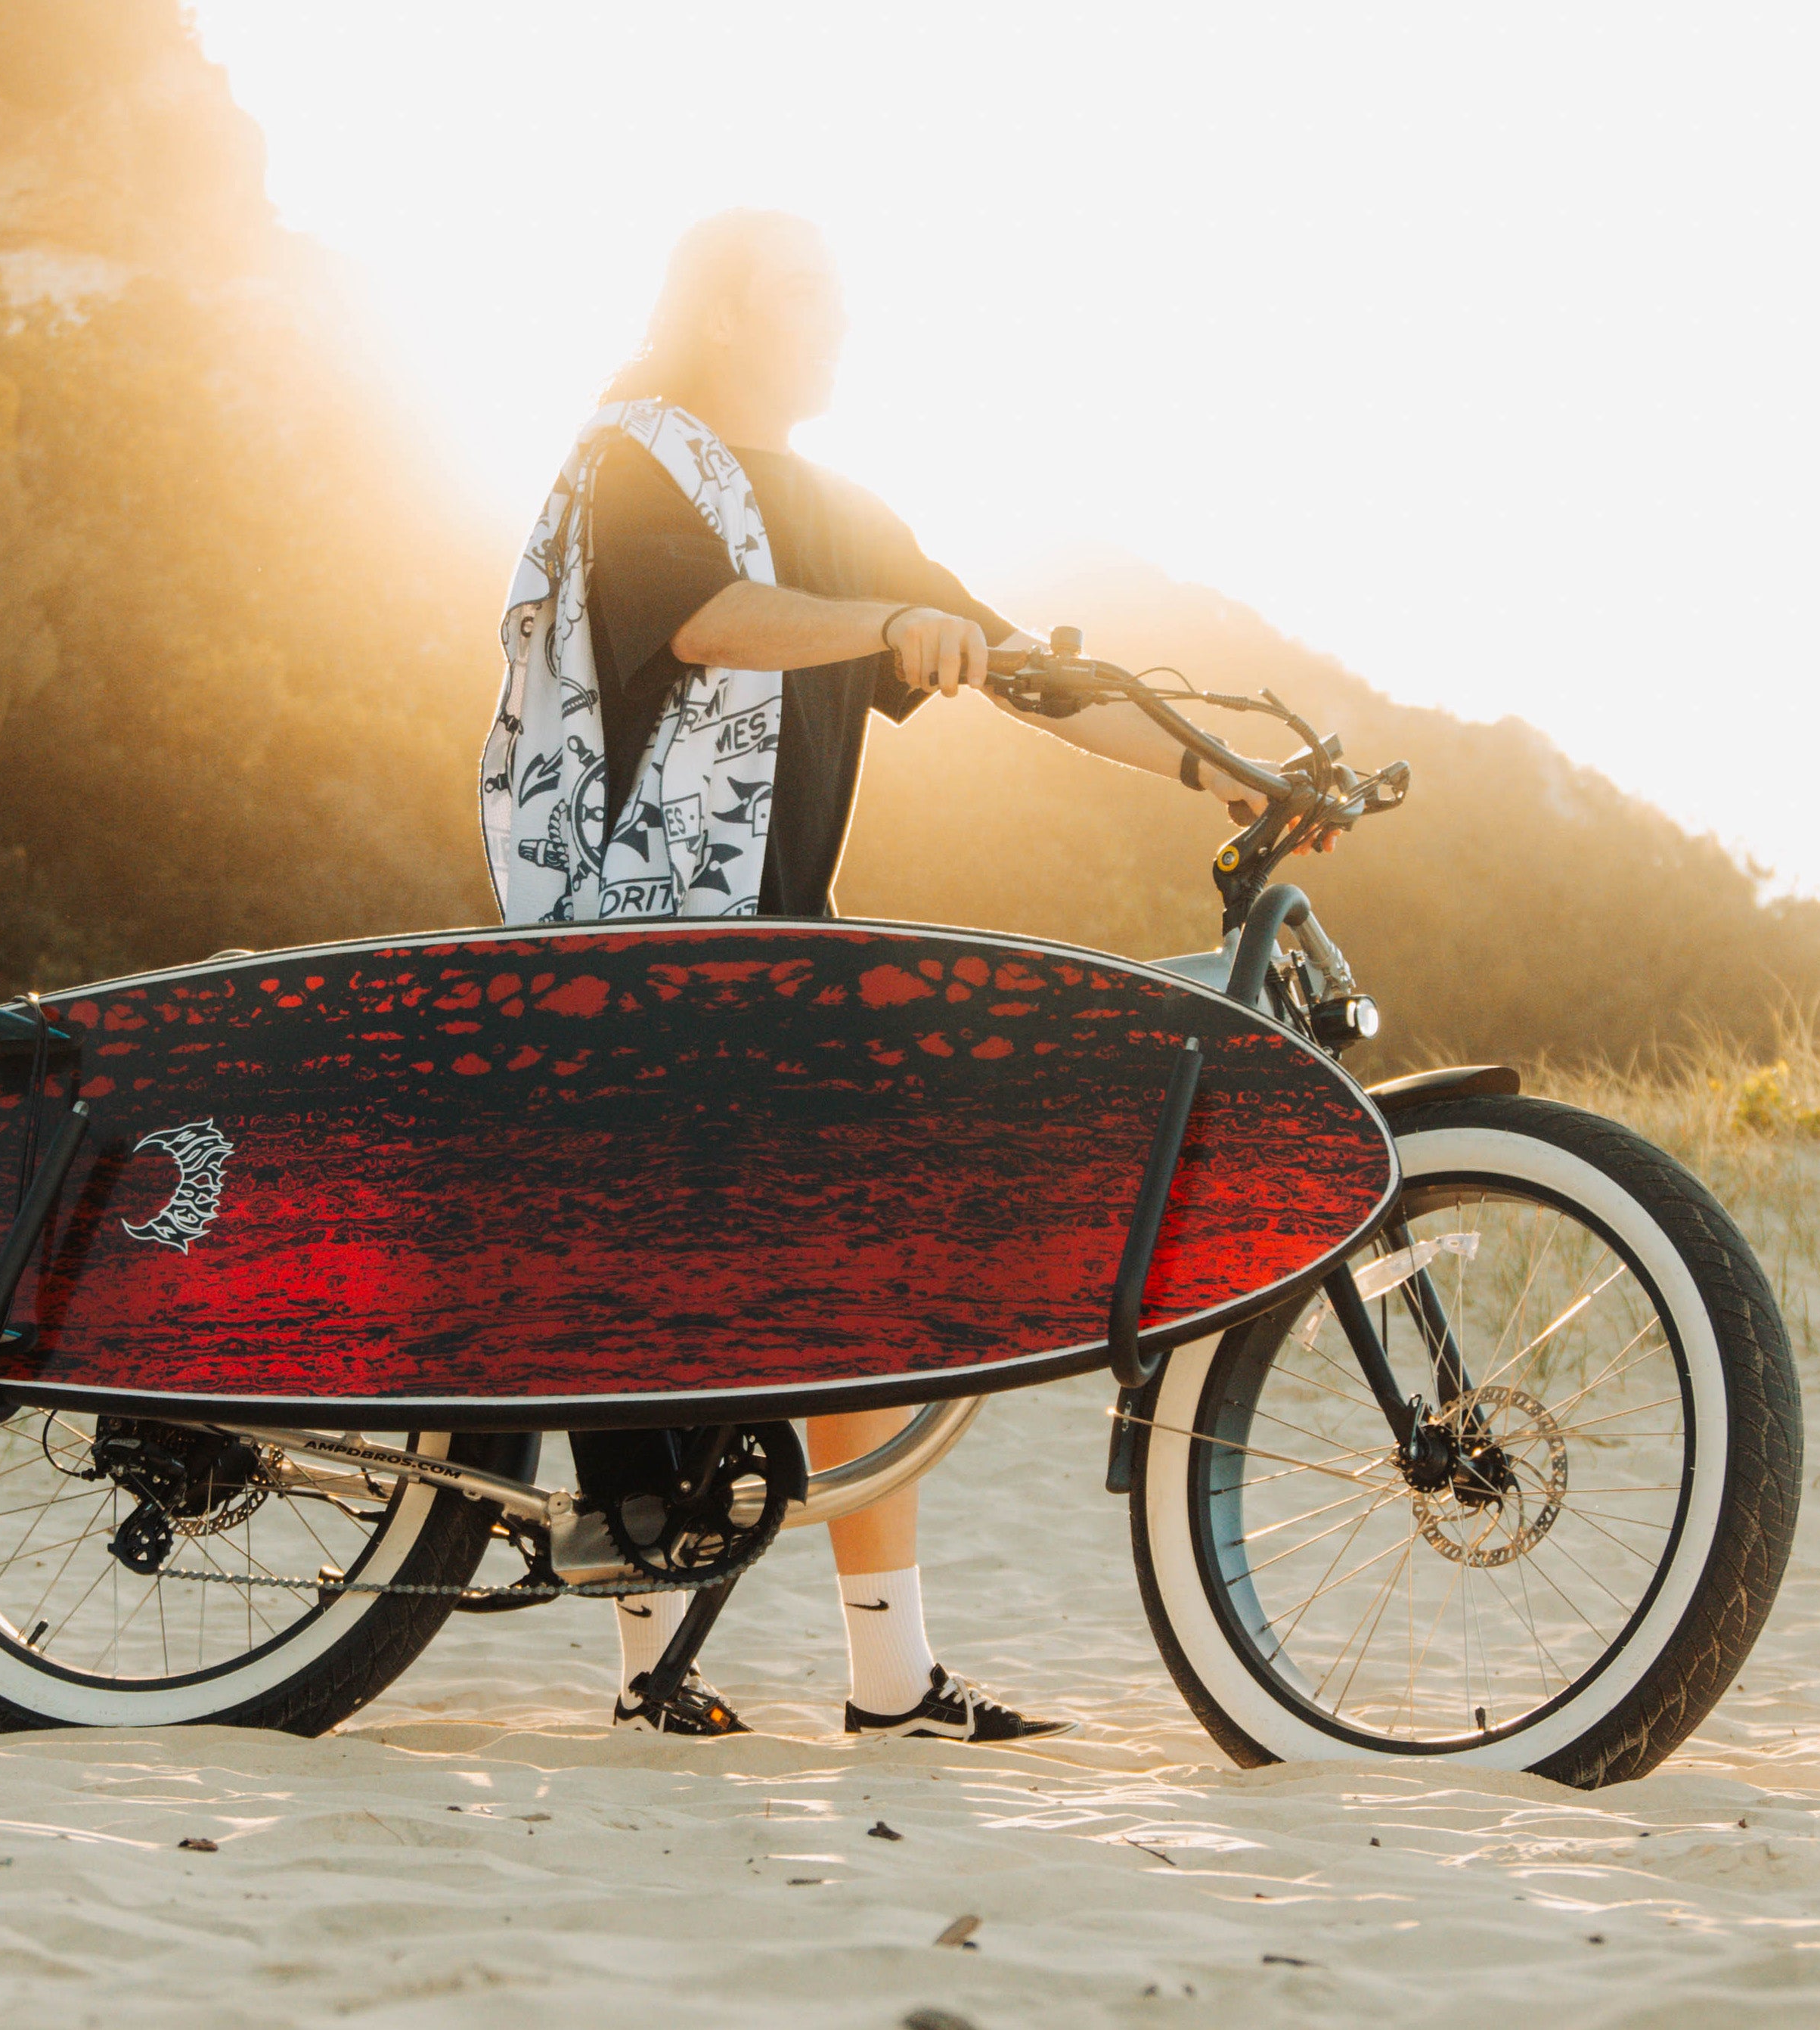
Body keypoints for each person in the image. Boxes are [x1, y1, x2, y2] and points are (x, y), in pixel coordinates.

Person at [477, 210, 1263, 1742]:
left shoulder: (830, 503)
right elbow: (703, 618)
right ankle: (645, 1676)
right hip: (627, 943)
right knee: (658, 1304)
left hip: (780, 939)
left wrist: (1214, 770)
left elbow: (1008, 658)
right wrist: (883, 626)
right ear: (720, 313)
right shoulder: (634, 456)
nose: (835, 326)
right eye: (803, 299)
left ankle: (891, 1683)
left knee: (866, 1290)